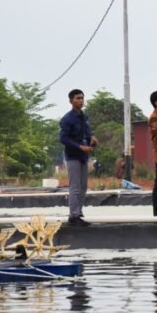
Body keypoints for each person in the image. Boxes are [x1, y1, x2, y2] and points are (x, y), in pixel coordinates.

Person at [59, 89, 97, 226]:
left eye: (82, 98)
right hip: (73, 156)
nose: (81, 100)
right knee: (75, 186)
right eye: (77, 98)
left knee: (83, 186)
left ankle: (79, 212)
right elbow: (63, 138)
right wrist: (80, 147)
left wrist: (92, 138)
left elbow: (87, 133)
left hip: (83, 156)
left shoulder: (84, 116)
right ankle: (73, 215)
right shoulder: (67, 119)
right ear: (71, 101)